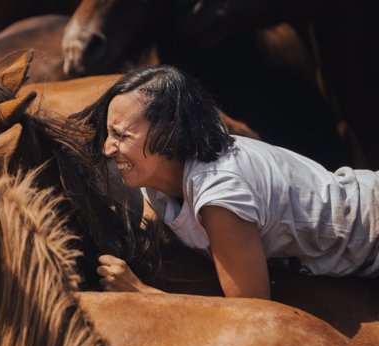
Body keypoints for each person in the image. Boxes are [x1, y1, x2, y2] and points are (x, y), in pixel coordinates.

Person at [81, 65, 379, 299]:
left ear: (168, 133)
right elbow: (153, 238)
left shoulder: (221, 192)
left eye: (120, 135)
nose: (107, 148)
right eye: (109, 134)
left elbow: (252, 311)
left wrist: (142, 293)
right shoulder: (154, 178)